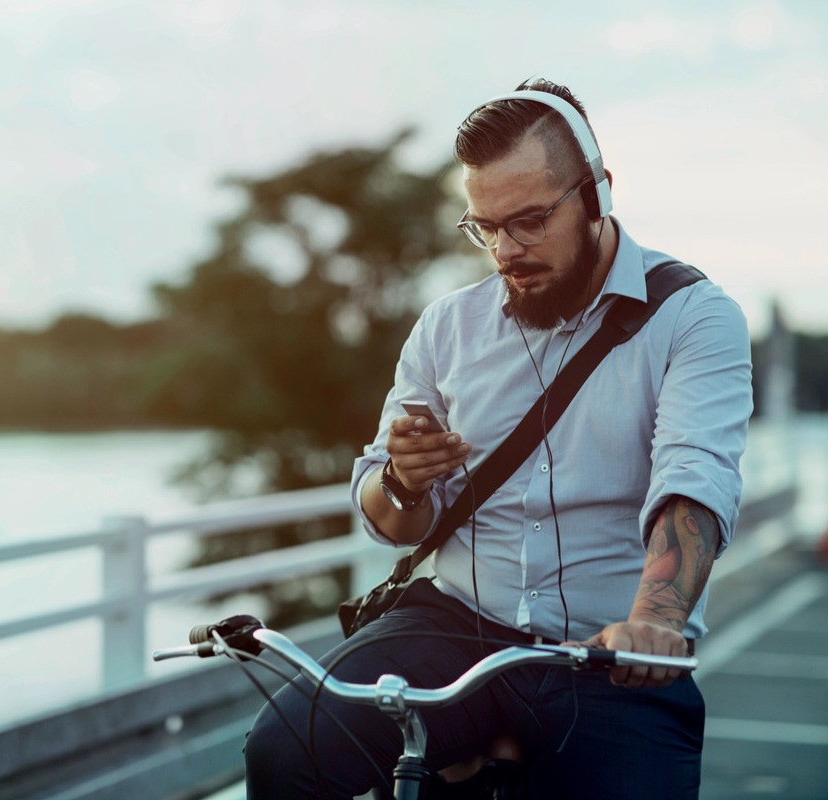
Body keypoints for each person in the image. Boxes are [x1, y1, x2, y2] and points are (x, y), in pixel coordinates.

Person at [244, 78, 752, 799]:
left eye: (531, 220)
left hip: (610, 650)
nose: (506, 249)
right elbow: (389, 521)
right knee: (285, 749)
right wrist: (402, 481)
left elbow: (695, 475)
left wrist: (656, 622)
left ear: (598, 193)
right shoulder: (447, 328)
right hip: (459, 626)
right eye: (485, 227)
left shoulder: (695, 319)